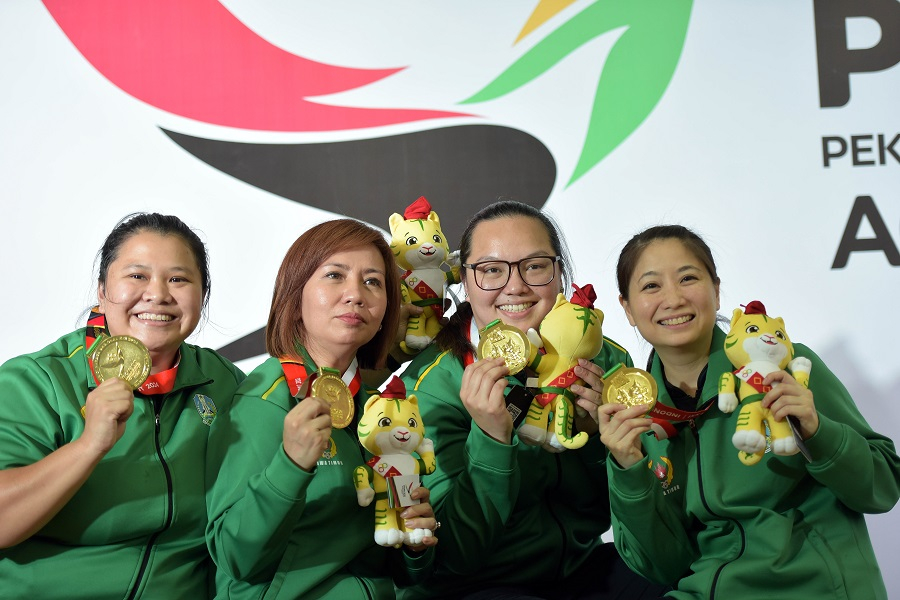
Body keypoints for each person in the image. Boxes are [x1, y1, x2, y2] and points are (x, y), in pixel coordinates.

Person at [600, 224, 900, 599]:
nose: (673, 299)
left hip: (814, 588)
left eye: (688, 278)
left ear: (717, 289)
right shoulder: (637, 415)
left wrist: (817, 431)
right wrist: (629, 470)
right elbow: (665, 566)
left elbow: (881, 489)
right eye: (651, 286)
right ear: (626, 308)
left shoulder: (787, 369)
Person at [398, 200, 668, 599]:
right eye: (491, 270)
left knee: (672, 584)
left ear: (559, 273)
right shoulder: (432, 385)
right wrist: (491, 441)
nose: (515, 286)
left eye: (535, 265)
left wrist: (601, 442)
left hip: (577, 569)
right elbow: (453, 555)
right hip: (472, 586)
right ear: (464, 281)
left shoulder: (604, 360)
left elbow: (631, 515)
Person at [0, 213, 246, 598]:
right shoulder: (38, 381)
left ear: (203, 295)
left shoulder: (224, 382)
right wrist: (88, 446)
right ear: (101, 290)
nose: (158, 294)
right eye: (137, 276)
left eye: (178, 279)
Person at [206, 218, 438, 599]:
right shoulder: (264, 401)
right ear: (295, 297)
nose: (355, 295)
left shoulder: (379, 409)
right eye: (335, 275)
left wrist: (414, 544)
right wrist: (291, 465)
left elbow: (405, 574)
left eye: (373, 282)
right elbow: (237, 559)